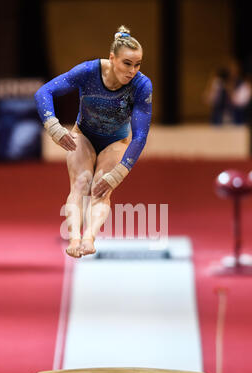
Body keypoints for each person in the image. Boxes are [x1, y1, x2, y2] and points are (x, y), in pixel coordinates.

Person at [34, 25, 152, 257]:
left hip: (116, 141)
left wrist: (120, 172)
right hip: (84, 135)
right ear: (112, 58)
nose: (132, 71)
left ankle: (89, 237)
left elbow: (140, 135)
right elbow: (43, 93)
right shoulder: (88, 71)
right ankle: (74, 238)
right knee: (81, 182)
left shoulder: (141, 85)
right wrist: (54, 127)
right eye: (127, 64)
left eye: (137, 65)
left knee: (101, 187)